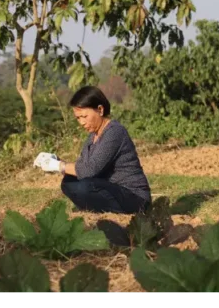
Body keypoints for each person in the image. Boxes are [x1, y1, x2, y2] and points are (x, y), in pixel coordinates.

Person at [35, 86, 151, 214]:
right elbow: (81, 168)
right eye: (78, 118)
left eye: (84, 116)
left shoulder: (114, 132)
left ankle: (101, 208)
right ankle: (97, 207)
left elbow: (90, 170)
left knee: (85, 187)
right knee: (68, 182)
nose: (81, 122)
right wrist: (55, 160)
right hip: (111, 191)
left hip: (133, 196)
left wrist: (58, 166)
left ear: (100, 110)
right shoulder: (92, 137)